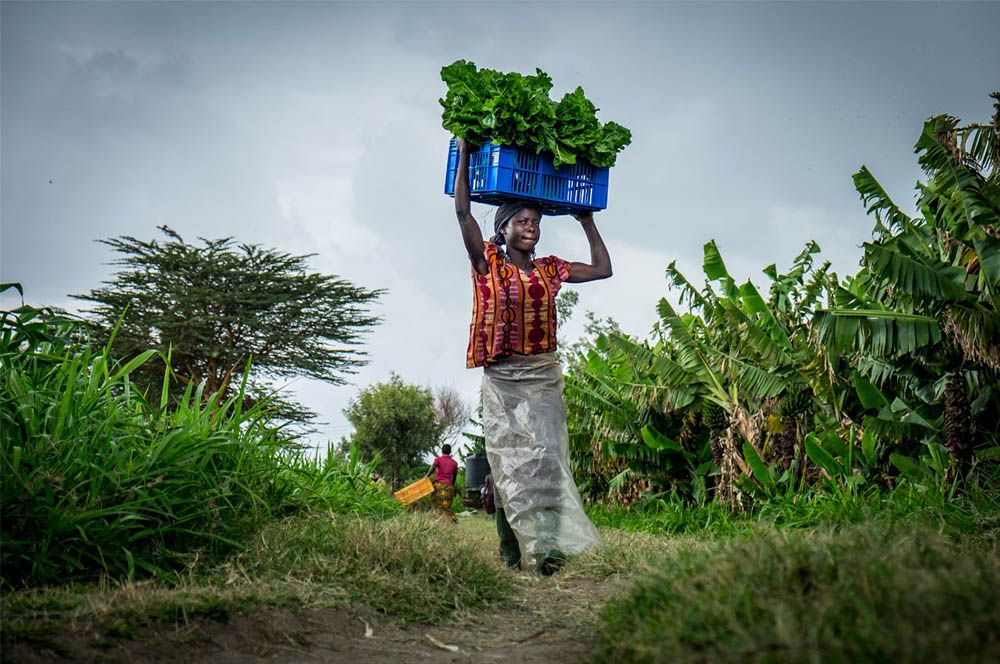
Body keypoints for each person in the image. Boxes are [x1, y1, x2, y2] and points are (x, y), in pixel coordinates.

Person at [453, 137, 610, 574]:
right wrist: (465, 151)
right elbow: (463, 212)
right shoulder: (487, 263)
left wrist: (586, 220)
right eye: (522, 221)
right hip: (502, 378)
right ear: (502, 229)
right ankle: (511, 551)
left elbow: (602, 269)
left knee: (546, 460)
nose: (531, 227)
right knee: (506, 464)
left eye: (536, 222)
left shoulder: (550, 269)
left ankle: (548, 553)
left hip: (542, 375)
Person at [426, 444, 459, 522]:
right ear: (450, 451)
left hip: (439, 486)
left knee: (436, 504)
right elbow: (454, 476)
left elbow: (433, 467)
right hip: (449, 486)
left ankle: (437, 520)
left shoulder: (438, 459)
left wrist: (426, 476)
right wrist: (452, 485)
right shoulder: (454, 463)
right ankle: (452, 519)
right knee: (446, 506)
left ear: (442, 451)